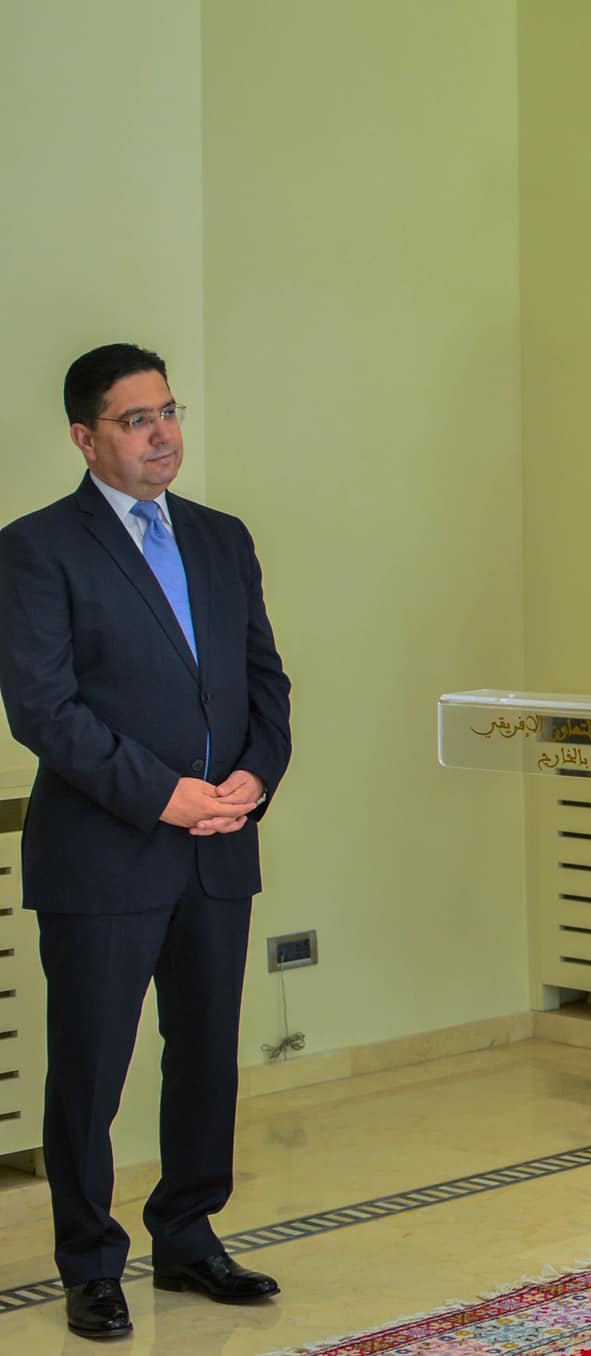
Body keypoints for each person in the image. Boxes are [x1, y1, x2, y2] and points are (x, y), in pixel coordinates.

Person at [0, 344, 292, 1339]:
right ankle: (89, 1261)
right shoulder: (37, 548)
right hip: (104, 853)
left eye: (167, 411)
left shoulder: (220, 538)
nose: (163, 433)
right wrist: (164, 796)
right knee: (90, 1066)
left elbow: (264, 681)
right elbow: (43, 710)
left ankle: (188, 1233)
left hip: (219, 846)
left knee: (205, 1053)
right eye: (136, 419)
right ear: (86, 438)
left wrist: (258, 770)